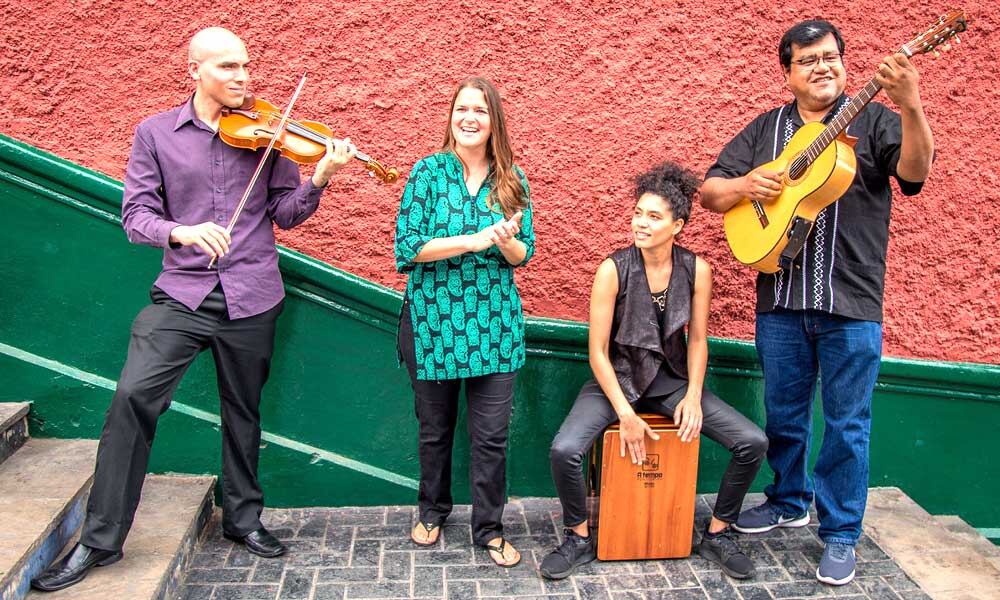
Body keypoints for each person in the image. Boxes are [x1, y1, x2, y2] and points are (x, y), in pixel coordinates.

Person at [31, 27, 356, 592]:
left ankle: (243, 519)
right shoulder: (155, 134)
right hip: (182, 296)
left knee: (243, 411)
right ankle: (100, 539)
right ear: (195, 70)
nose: (243, 77)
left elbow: (286, 213)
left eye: (246, 65)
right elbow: (135, 217)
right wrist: (181, 231)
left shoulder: (268, 135)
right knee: (133, 396)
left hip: (253, 296)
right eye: (228, 66)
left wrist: (319, 180)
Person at [700, 19, 934, 586]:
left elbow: (915, 173)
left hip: (851, 300)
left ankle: (841, 532)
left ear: (844, 64)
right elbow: (709, 190)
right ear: (788, 73)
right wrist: (747, 185)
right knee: (783, 414)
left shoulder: (875, 119)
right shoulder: (767, 129)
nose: (822, 67)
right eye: (807, 60)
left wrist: (911, 104)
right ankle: (787, 500)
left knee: (847, 423)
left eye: (830, 56)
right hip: (780, 299)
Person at [540, 161, 768, 581]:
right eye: (637, 213)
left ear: (677, 225)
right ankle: (577, 537)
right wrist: (625, 414)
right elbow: (597, 352)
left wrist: (694, 395)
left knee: (752, 442)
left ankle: (718, 533)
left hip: (671, 383)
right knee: (564, 450)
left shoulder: (697, 270)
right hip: (617, 380)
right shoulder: (613, 269)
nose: (640, 223)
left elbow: (697, 341)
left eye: (653, 216)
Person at [394, 76, 535, 568]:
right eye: (461, 109)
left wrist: (505, 241)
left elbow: (523, 255)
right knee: (434, 430)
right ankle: (432, 510)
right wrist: (474, 241)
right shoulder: (428, 173)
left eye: (480, 110)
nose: (469, 118)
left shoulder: (512, 179)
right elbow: (408, 247)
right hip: (433, 324)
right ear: (450, 116)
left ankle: (490, 529)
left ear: (494, 121)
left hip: (494, 326)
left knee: (491, 437)